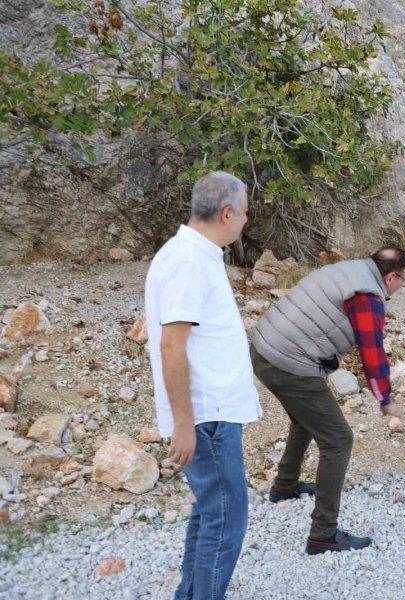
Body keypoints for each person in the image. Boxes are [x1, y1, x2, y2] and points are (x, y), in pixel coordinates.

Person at [145, 171, 262, 599]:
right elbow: (171, 345)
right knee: (227, 518)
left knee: (211, 514)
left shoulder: (196, 255)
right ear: (227, 212)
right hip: (207, 417)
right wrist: (183, 423)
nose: (246, 221)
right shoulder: (188, 260)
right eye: (245, 213)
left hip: (212, 414)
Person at [250, 246, 405, 554]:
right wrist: (384, 398)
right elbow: (372, 352)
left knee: (306, 417)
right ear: (391, 276)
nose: (403, 286)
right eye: (404, 280)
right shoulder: (367, 296)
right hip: (288, 360)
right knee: (338, 439)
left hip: (264, 347)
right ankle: (323, 533)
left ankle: (285, 485)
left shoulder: (351, 269)